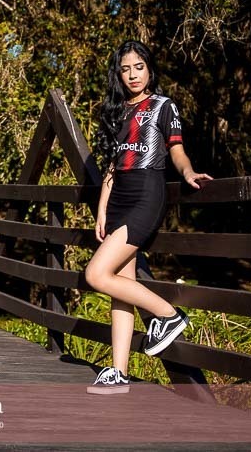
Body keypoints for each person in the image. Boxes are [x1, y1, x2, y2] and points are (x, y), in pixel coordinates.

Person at [84, 40, 211, 395]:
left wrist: (187, 173)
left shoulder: (163, 106)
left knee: (96, 274)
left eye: (138, 67)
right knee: (119, 287)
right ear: (118, 74)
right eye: (125, 69)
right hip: (120, 197)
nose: (132, 75)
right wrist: (102, 209)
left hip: (146, 193)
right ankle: (119, 372)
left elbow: (176, 149)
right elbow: (112, 165)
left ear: (149, 68)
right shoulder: (117, 111)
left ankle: (169, 315)